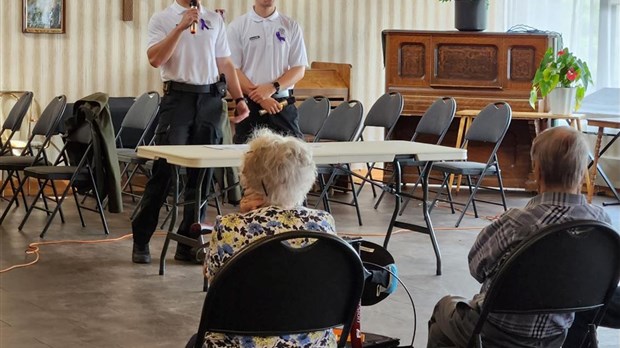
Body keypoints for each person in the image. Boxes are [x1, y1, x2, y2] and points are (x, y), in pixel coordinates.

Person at [427, 126, 612, 348]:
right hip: (556, 334)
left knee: (443, 310)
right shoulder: (601, 224)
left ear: (538, 171)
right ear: (583, 172)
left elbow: (476, 267)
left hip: (493, 333)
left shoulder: (517, 222)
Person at [132, 0, 250, 264]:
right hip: (179, 101)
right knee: (165, 171)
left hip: (209, 100)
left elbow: (226, 64)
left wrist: (239, 99)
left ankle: (187, 240)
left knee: (202, 177)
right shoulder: (162, 19)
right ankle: (141, 238)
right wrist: (180, 27)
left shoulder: (215, 20)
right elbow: (155, 58)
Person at [203, 129, 338, 346]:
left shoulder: (230, 227)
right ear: (307, 178)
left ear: (251, 178)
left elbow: (214, 280)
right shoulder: (324, 223)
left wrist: (244, 217)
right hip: (313, 343)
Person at [227, 0, 307, 144]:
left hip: (282, 104)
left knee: (292, 157)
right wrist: (262, 98)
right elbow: (233, 70)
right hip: (249, 105)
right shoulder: (237, 26)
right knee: (248, 157)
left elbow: (299, 69)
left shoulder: (291, 25)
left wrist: (272, 88)